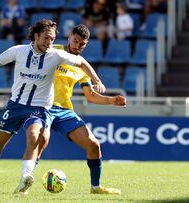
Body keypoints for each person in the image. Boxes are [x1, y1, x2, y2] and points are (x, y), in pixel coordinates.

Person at [0, 19, 105, 195]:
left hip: (39, 108)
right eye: (46, 38)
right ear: (36, 36)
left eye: (52, 39)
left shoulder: (56, 55)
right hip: (15, 106)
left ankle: (25, 178)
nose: (49, 43)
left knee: (34, 135)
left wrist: (96, 80)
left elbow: (81, 63)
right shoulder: (18, 51)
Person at [43, 24, 127, 194]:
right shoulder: (52, 50)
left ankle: (95, 188)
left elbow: (91, 96)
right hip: (41, 106)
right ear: (69, 37)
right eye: (75, 41)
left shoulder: (81, 68)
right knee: (38, 141)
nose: (77, 46)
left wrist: (112, 100)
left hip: (64, 110)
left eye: (82, 44)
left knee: (94, 145)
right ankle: (25, 181)